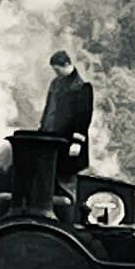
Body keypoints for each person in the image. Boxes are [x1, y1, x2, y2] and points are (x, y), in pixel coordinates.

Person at [39, 49, 94, 180]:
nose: (56, 73)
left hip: (69, 142)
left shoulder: (82, 87)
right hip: (51, 140)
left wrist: (77, 142)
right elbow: (49, 109)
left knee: (67, 176)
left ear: (67, 64)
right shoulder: (55, 84)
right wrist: (42, 130)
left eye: (57, 70)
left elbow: (84, 117)